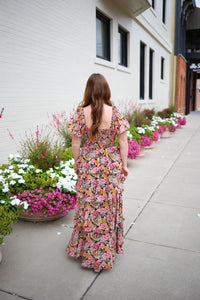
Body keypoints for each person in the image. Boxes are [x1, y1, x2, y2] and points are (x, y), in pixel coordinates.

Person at [66, 73, 129, 272]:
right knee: (107, 210)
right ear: (106, 89)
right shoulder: (116, 112)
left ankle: (85, 251)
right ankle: (102, 256)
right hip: (110, 166)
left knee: (88, 208)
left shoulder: (80, 112)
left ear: (88, 90)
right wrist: (124, 165)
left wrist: (78, 164)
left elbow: (76, 143)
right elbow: (123, 142)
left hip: (89, 165)